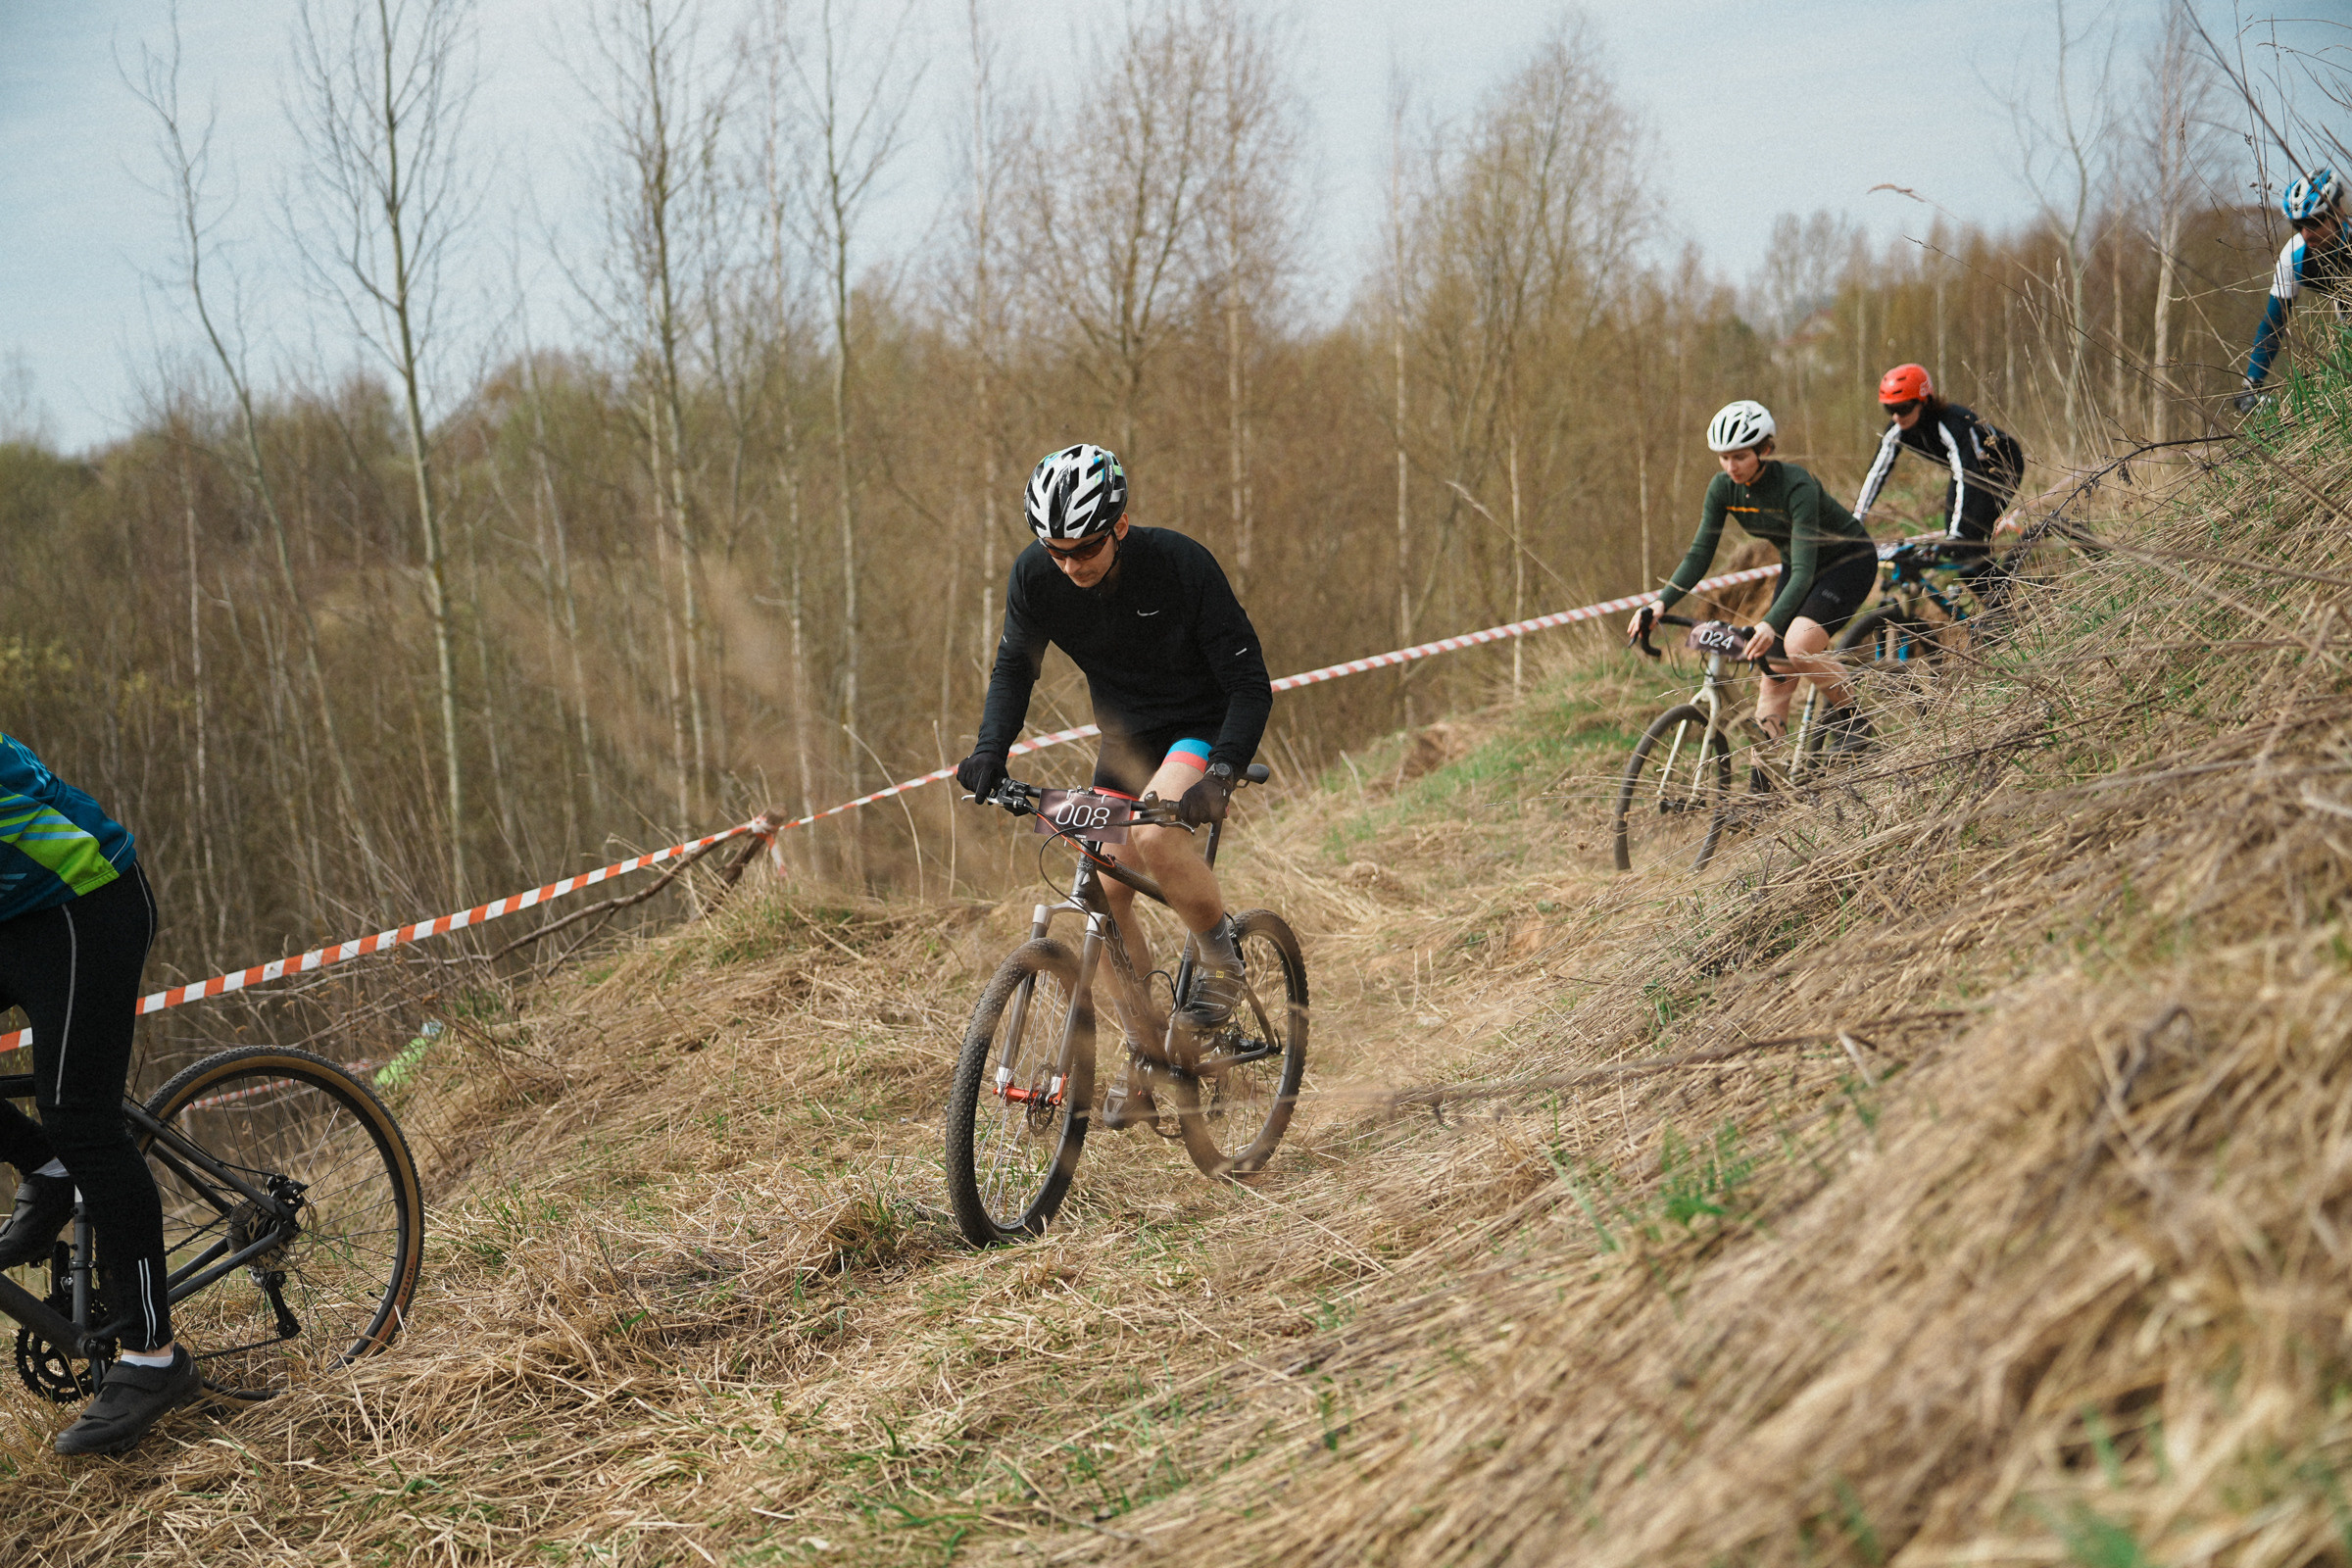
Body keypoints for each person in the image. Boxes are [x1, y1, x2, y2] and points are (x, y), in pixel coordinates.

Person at [956, 444, 1274, 1128]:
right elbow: (1015, 668)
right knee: (1103, 889)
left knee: (1154, 835)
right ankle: (1150, 1053)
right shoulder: (1036, 579)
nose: (1071, 564)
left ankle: (1224, 961)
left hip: (1200, 729)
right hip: (1125, 746)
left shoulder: (1181, 565)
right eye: (1057, 549)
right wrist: (990, 752)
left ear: (1120, 525)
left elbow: (1249, 683)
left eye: (1087, 547)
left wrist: (1221, 770)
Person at [0, 736, 197, 1456]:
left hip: (86, 907)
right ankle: (46, 1170)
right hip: (16, 919)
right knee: (63, 1139)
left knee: (80, 1117)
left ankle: (153, 1355)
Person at [1629, 400, 1879, 755]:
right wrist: (1659, 603)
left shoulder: (1796, 486)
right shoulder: (1722, 488)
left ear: (1764, 449)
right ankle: (1768, 782)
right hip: (1798, 567)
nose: (1731, 467)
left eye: (1740, 456)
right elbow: (1700, 554)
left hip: (1847, 562)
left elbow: (1807, 570)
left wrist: (1770, 622)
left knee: (1799, 646)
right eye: (1723, 457)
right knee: (1774, 677)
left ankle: (1856, 721)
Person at [1851, 364, 2026, 604]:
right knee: (1962, 553)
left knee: (1965, 544)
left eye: (1903, 408)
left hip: (2002, 468)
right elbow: (1877, 474)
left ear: (1924, 401)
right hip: (1965, 474)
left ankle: (2006, 605)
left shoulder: (1951, 423)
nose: (1896, 416)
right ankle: (2002, 599)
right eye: (1889, 409)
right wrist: (1855, 521)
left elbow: (1969, 473)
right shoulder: (1897, 429)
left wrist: (1957, 534)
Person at [2237, 167, 2352, 412]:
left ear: (2339, 213)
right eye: (2298, 225)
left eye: (2314, 222)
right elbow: (2273, 323)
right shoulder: (2295, 255)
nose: (2306, 233)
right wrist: (2252, 383)